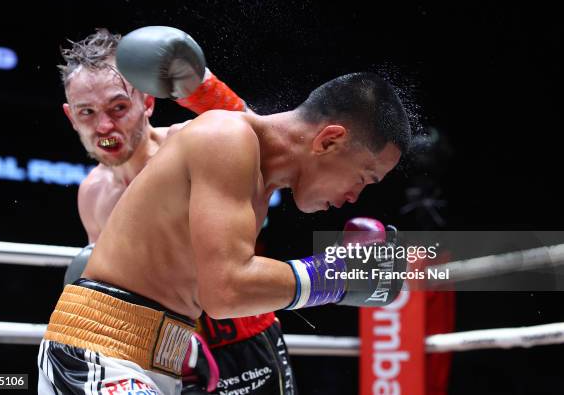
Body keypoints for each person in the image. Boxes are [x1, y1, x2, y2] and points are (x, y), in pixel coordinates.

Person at [38, 27, 410, 395]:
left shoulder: (252, 164)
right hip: (102, 352)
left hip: (167, 354)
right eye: (364, 177)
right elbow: (227, 290)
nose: (354, 196)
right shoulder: (225, 138)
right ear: (330, 140)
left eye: (118, 107)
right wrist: (339, 275)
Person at [54, 27, 296, 394]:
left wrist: (204, 88)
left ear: (147, 102)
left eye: (118, 107)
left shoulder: (193, 144)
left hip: (243, 343)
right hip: (164, 358)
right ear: (71, 117)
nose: (104, 126)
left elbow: (273, 146)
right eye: (87, 112)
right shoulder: (93, 194)